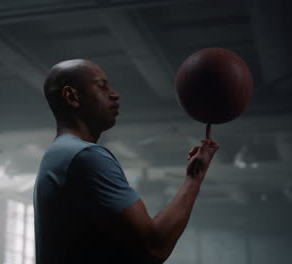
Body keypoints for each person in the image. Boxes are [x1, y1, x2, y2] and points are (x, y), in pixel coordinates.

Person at [33, 59, 219, 264]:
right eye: (102, 86)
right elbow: (154, 247)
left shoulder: (57, 154)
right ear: (72, 97)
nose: (115, 94)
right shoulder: (85, 156)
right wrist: (194, 178)